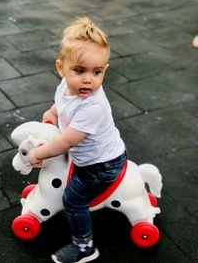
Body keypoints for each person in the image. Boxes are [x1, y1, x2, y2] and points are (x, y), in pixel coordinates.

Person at [28, 16, 126, 263]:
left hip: (101, 166)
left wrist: (38, 154)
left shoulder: (93, 105)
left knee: (72, 200)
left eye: (97, 72)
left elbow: (66, 142)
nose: (88, 80)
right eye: (80, 71)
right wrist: (53, 113)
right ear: (61, 68)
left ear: (105, 69)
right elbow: (62, 101)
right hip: (94, 155)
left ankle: (84, 246)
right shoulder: (65, 85)